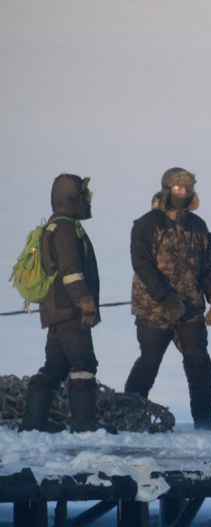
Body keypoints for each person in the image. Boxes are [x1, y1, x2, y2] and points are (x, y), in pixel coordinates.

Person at [124, 168, 211, 432]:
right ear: (167, 190)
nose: (184, 193)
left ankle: (205, 420)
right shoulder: (147, 224)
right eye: (179, 188)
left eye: (189, 188)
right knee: (149, 361)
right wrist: (167, 300)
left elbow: (207, 270)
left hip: (190, 309)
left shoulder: (198, 226)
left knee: (199, 362)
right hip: (154, 309)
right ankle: (128, 417)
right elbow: (142, 266)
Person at [20, 174, 103, 433]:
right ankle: (85, 427)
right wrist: (86, 302)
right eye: (84, 196)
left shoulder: (54, 225)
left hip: (55, 309)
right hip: (69, 310)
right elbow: (71, 271)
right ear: (72, 198)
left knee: (55, 366)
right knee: (84, 363)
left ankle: (33, 424)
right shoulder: (66, 228)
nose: (88, 200)